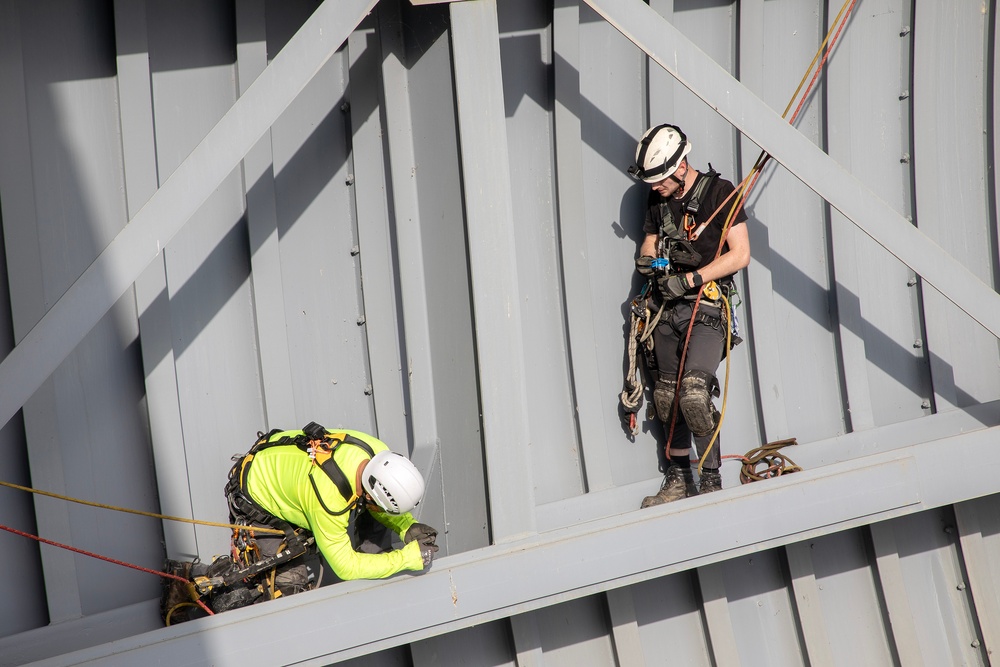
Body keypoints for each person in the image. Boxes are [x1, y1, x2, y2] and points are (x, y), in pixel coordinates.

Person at [628, 124, 751, 507]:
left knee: (694, 396)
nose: (655, 187)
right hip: (665, 311)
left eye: (661, 179)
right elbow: (647, 245)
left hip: (707, 308)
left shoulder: (719, 192)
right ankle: (679, 479)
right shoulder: (658, 202)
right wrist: (652, 261)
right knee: (666, 398)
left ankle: (711, 481)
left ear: (681, 165)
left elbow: (740, 254)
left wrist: (693, 277)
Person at [216, 422, 439, 605]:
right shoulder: (330, 501)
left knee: (373, 526)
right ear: (371, 497)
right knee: (289, 597)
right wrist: (408, 559)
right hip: (258, 494)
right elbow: (346, 567)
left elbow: (374, 501)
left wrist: (406, 526)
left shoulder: (377, 452)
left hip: (281, 463)